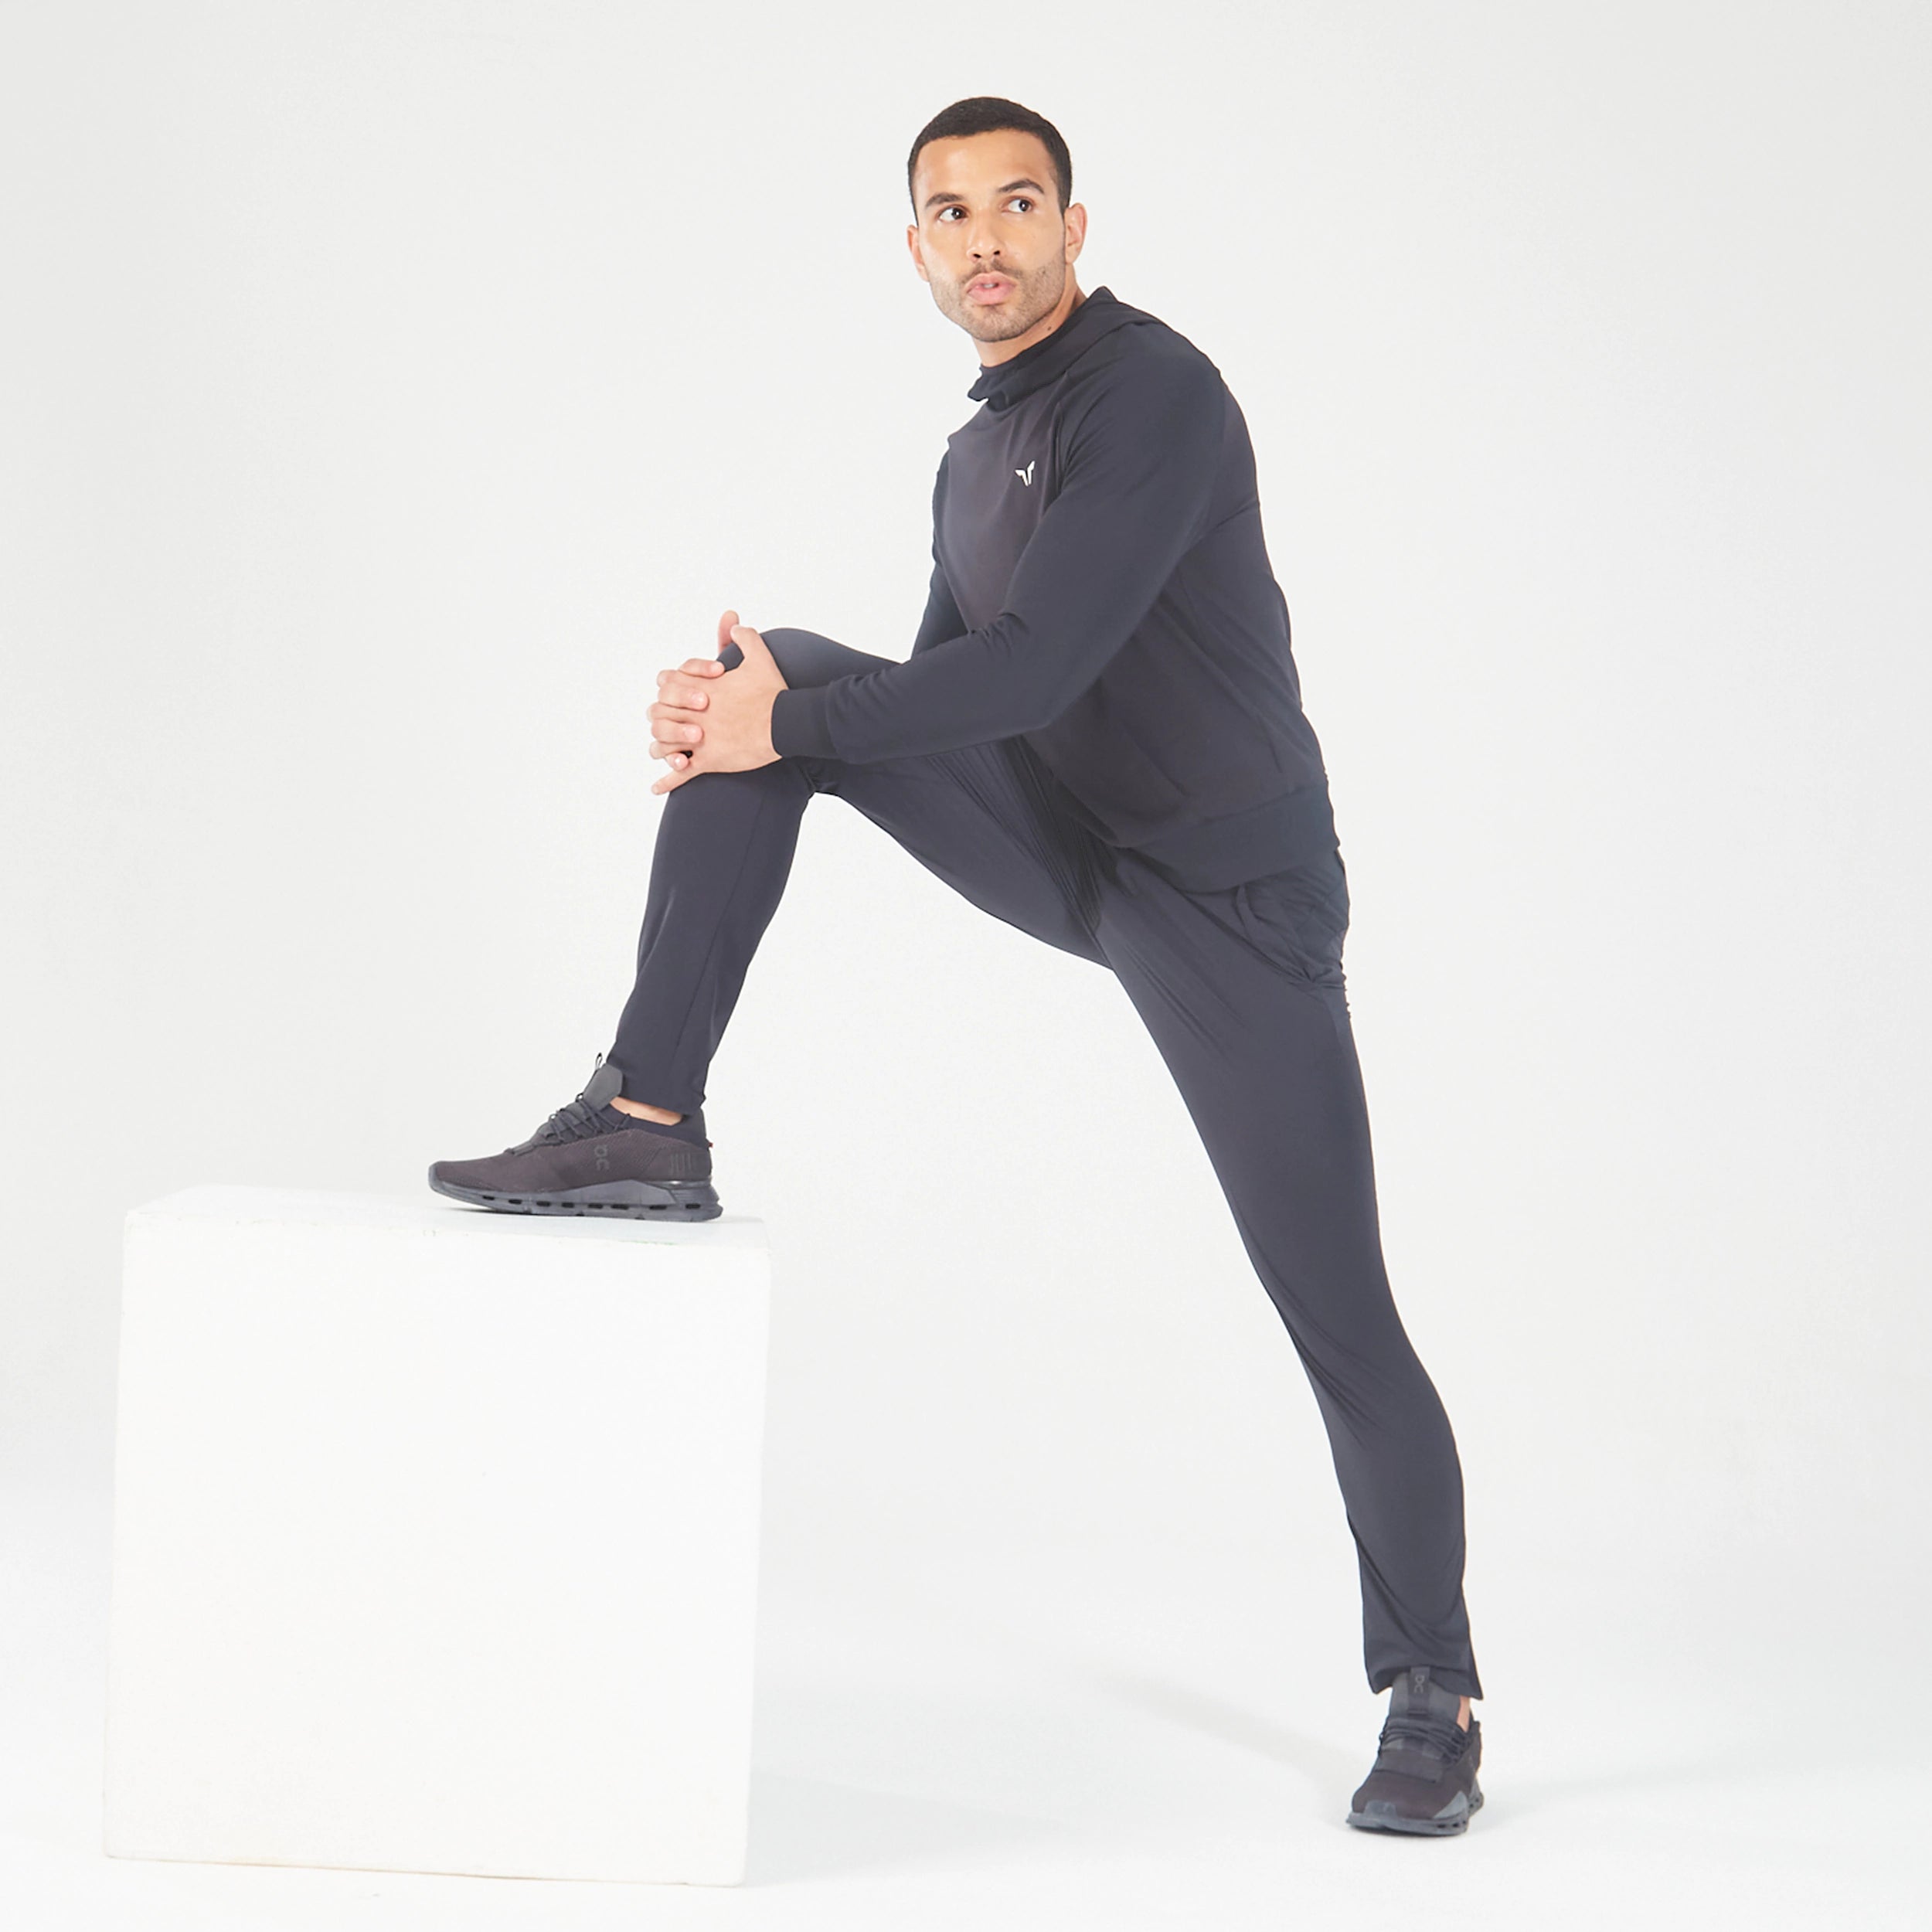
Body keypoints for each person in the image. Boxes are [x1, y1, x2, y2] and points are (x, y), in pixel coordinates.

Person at [429, 94, 1485, 1836]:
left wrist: (781, 722)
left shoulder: (1154, 396)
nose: (985, 239)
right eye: (950, 212)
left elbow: (1035, 669)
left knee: (1335, 1306)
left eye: (1016, 204)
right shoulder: (971, 457)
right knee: (770, 676)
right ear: (915, 246)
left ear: (1074, 225)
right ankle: (644, 1115)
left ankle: (1430, 1689)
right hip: (1079, 851)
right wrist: (750, 715)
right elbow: (930, 698)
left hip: (1228, 900)